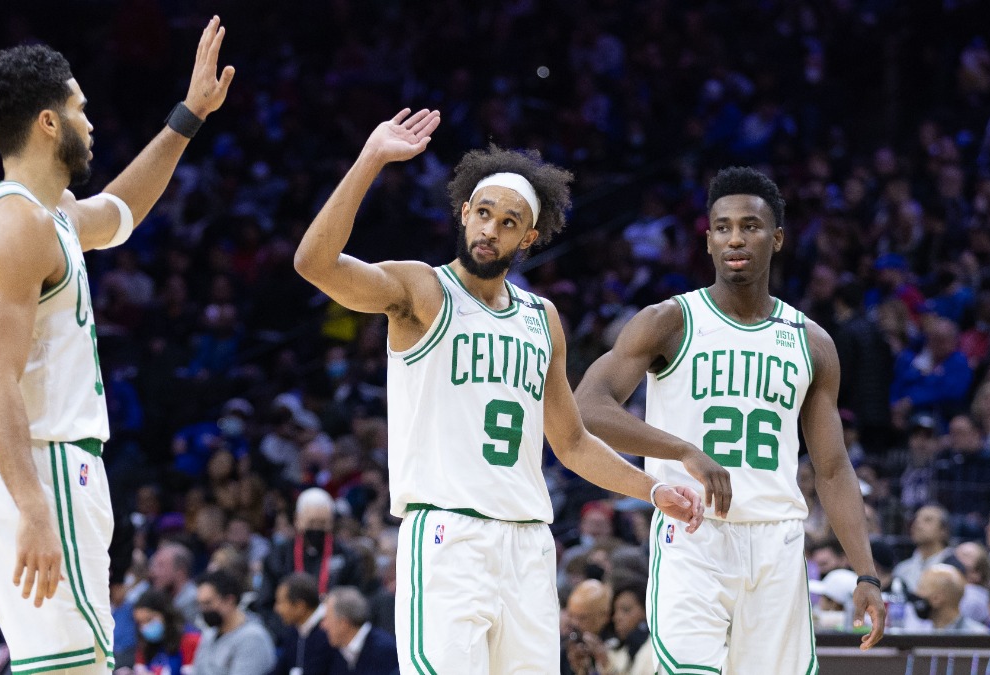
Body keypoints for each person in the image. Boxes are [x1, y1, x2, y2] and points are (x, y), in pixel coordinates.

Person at [293, 109, 703, 673]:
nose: (490, 230)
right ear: (464, 213)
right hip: (449, 535)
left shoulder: (543, 318)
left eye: (509, 222)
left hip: (528, 545)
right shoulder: (422, 290)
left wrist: (652, 488)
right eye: (483, 214)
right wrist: (371, 159)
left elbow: (571, 442)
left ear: (528, 238)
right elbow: (314, 263)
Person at [0, 19, 234, 673]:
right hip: (41, 464)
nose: (91, 121)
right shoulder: (16, 225)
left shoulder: (50, 215)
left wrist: (189, 115)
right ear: (48, 122)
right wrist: (34, 506)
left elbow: (121, 210)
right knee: (80, 666)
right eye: (80, 108)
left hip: (42, 465)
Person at [575, 166, 885, 673]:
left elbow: (832, 469)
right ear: (709, 241)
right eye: (722, 227)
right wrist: (683, 451)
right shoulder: (670, 320)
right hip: (694, 532)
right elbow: (588, 405)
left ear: (777, 238)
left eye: (750, 226)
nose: (735, 238)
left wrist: (866, 573)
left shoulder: (811, 342)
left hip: (777, 541)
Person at [190, 571, 275, 675]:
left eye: (208, 603)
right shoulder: (209, 633)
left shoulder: (253, 638)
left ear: (229, 600)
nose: (203, 610)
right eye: (200, 604)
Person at [321, 587, 397, 675]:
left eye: (327, 619)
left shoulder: (385, 650)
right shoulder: (337, 652)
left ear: (343, 623)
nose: (323, 626)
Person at [272, 572, 331, 675]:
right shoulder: (293, 632)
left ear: (300, 606)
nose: (276, 609)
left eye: (280, 602)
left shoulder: (329, 633)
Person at [131, 588, 200, 674]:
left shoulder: (190, 639)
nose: (145, 627)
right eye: (140, 622)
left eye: (149, 619)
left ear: (165, 614)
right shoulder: (144, 644)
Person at [911, 564, 987, 633]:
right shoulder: (918, 632)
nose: (916, 593)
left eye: (921, 588)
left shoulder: (978, 637)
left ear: (936, 598)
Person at [893, 505, 953, 590]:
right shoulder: (902, 569)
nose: (917, 524)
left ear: (943, 531)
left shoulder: (955, 567)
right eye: (915, 519)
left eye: (927, 520)